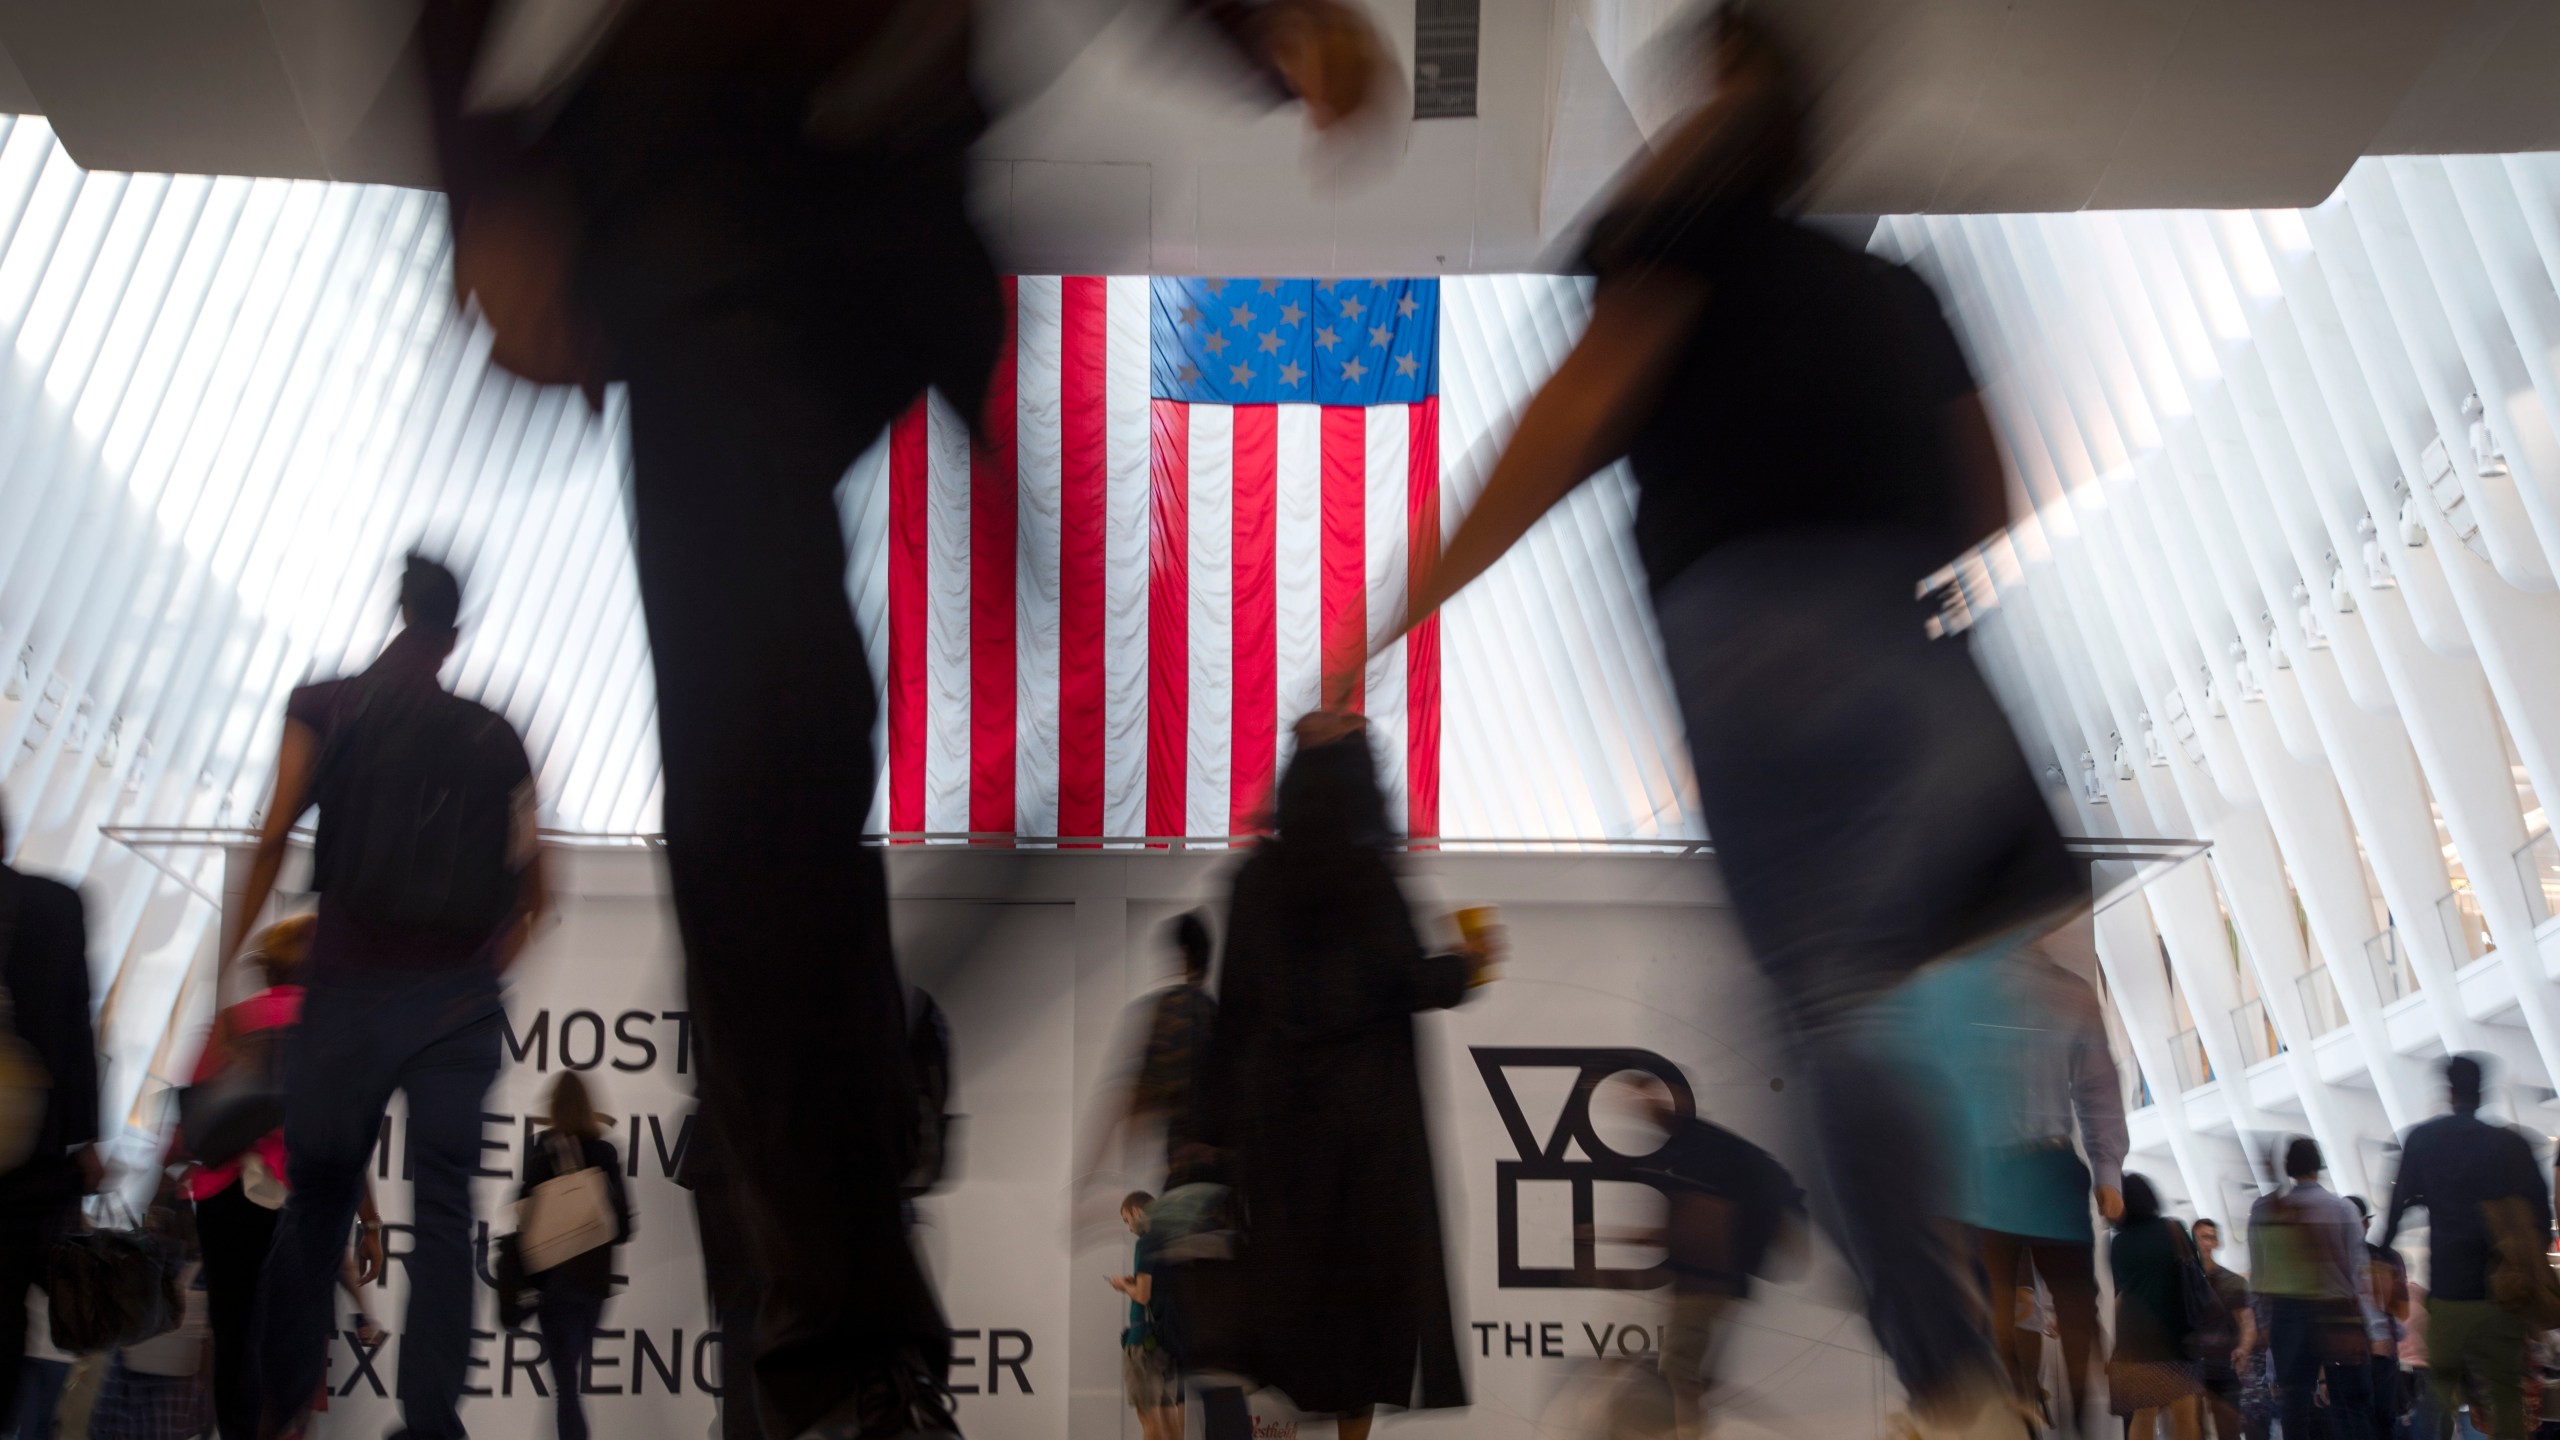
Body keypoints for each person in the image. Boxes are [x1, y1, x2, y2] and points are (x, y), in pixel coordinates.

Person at [413, 4, 1392, 1435]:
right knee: (770, 764)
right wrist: (485, 178)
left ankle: (845, 1296)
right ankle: (848, 1357)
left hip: (879, 234)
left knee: (796, 766)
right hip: (707, 208)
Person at [1376, 12, 2084, 1436]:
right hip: (1924, 658)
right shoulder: (1894, 286)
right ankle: (1918, 1354)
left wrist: (1403, 603)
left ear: (1720, 104)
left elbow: (1568, 421)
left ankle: (1949, 1383)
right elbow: (1994, 494)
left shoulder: (1684, 238)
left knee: (1821, 1014)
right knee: (1863, 1009)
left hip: (1767, 651)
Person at [233, 553, 546, 1440]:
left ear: (398, 613)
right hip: (456, 1004)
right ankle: (430, 1424)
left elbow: (272, 836)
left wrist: (228, 973)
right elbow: (538, 893)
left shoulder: (325, 706)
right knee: (447, 1214)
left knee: (318, 1203)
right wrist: (478, 971)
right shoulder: (497, 736)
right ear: (454, 635)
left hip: (346, 993)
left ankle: (283, 1409)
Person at [1200, 713, 1493, 1440]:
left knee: (1289, 1297)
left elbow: (1231, 1009)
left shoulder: (1253, 878)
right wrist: (1470, 961)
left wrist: (1208, 1137)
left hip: (1279, 1132)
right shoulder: (1369, 877)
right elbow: (1408, 982)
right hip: (1369, 1128)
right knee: (1365, 1304)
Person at [175, 913, 390, 1440]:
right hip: (302, 1198)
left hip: (224, 1197)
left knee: (233, 1333)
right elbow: (350, 1141)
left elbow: (189, 1127)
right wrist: (370, 1223)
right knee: (294, 1337)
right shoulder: (338, 1033)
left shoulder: (230, 1022)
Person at [1899, 935, 2125, 1433]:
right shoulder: (1950, 988)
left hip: (2045, 1163)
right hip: (1983, 1171)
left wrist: (2109, 1171)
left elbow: (2096, 1087)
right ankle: (2015, 1415)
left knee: (2073, 1308)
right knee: (1994, 1306)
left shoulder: (2067, 992)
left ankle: (2078, 1421)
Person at [1617, 1076, 1804, 1438]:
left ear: (1678, 1100)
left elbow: (1707, 1220)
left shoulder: (1701, 1149)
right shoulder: (1687, 1150)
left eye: (1649, 1098)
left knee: (1679, 1371)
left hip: (1705, 1283)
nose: (1643, 1108)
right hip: (1705, 1283)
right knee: (1686, 1373)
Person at [2381, 1054, 2550, 1440]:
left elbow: (2395, 1211)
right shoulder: (2511, 1145)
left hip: (2449, 1294)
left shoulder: (2424, 1140)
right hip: (2501, 1297)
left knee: (2438, 1391)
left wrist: (2380, 1253)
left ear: (2449, 1091)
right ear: (2483, 1091)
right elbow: (2541, 1218)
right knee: (2506, 1393)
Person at [0, 802, 103, 1428]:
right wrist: (85, 1139)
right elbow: (73, 1025)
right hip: (25, 1144)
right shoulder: (54, 907)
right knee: (8, 1301)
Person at [523, 1072, 635, 1440]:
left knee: (566, 1387)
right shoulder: (604, 1152)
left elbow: (523, 1220)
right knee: (571, 1382)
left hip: (553, 1285)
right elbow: (622, 1226)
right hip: (592, 1283)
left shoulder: (542, 1151)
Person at [2250, 1137, 2372, 1440]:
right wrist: (2370, 1326)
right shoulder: (2342, 1210)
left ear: (2288, 1168)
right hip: (2337, 1313)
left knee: (2295, 1404)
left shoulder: (2267, 1211)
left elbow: (2259, 1276)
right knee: (2347, 1404)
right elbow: (2358, 1273)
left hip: (2287, 1315)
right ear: (2318, 1167)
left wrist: (2264, 1322)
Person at [2108, 1175, 2204, 1440]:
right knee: (2185, 1415)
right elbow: (2196, 1273)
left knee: (2143, 1413)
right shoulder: (2173, 1229)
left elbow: (2122, 1293)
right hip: (2176, 1334)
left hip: (2136, 1339)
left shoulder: (2119, 1244)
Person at [1110, 1192, 1180, 1440]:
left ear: (1137, 1210)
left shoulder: (1146, 1242)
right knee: (1168, 1413)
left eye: (1127, 1220)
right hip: (1167, 1340)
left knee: (1148, 1417)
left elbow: (1142, 1295)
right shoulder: (1171, 1240)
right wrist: (1136, 1282)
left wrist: (1123, 1286)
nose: (1129, 1229)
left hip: (1144, 1341)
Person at [2350, 1195, 2410, 1440]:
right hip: (2356, 1353)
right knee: (2369, 1419)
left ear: (2366, 1224)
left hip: (2376, 1353)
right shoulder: (2333, 1262)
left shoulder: (2387, 1258)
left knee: (2378, 1418)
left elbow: (2400, 1308)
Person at [2191, 1219, 2257, 1440]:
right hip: (2194, 1367)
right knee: (2194, 1428)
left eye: (2210, 1237)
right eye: (2201, 1237)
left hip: (2223, 1365)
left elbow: (2247, 1322)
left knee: (2227, 1429)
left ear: (2217, 1242)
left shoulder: (2233, 1282)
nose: (2205, 1243)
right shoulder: (2185, 1282)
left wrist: (2244, 1349)